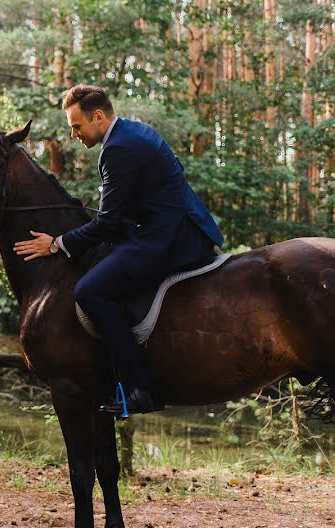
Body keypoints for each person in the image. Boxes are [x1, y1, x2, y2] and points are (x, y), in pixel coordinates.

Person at [13, 84, 223, 415]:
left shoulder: (119, 149)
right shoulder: (131, 132)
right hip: (169, 227)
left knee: (90, 291)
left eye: (77, 126)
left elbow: (108, 222)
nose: (74, 134)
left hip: (168, 239)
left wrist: (56, 244)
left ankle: (142, 388)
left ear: (98, 116)